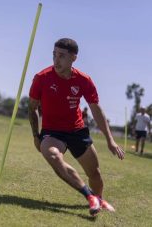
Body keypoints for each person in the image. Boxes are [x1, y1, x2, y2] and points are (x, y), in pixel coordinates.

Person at [28, 38, 125, 216]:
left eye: (62, 56)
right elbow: (32, 108)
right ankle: (90, 196)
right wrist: (36, 136)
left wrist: (110, 140)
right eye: (54, 55)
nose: (56, 60)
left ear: (73, 58)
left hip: (77, 131)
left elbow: (96, 110)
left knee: (94, 173)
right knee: (53, 156)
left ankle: (99, 199)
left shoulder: (84, 80)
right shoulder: (42, 78)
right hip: (52, 133)